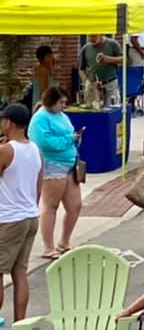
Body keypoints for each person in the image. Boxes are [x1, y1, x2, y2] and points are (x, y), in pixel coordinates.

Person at [0, 104, 41, 330]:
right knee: (19, 273)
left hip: (8, 217)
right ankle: (19, 328)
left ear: (9, 123)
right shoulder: (34, 148)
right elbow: (38, 184)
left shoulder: (6, 150)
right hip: (29, 215)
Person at [27, 87, 82, 260]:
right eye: (61, 102)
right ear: (51, 101)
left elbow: (67, 135)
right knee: (51, 205)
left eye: (65, 102)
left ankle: (64, 241)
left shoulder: (62, 116)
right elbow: (45, 142)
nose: (64, 106)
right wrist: (69, 139)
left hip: (69, 164)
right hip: (52, 164)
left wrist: (75, 139)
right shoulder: (40, 118)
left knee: (75, 205)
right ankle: (48, 246)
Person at [79, 34, 123, 105]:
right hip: (93, 86)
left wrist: (108, 59)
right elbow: (81, 69)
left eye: (94, 36)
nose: (91, 39)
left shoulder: (113, 44)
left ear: (101, 34)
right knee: (92, 111)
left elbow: (124, 59)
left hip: (110, 84)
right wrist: (87, 83)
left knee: (112, 109)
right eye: (89, 36)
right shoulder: (85, 48)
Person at [32, 45, 55, 109]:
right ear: (41, 58)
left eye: (51, 56)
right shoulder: (42, 70)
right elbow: (44, 91)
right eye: (48, 56)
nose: (51, 58)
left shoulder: (46, 70)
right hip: (41, 104)